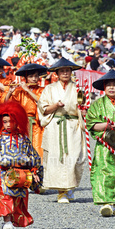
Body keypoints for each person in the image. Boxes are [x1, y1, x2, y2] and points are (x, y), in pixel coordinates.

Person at [0, 101, 43, 229]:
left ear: (16, 122)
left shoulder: (23, 139)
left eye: (11, 121)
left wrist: (35, 170)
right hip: (1, 173)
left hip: (20, 174)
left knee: (17, 200)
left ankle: (11, 222)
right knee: (4, 197)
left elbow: (32, 154)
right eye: (5, 121)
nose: (8, 124)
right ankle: (7, 222)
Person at [37, 57, 86, 203]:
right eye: (62, 71)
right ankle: (61, 192)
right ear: (57, 73)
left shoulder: (77, 88)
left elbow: (82, 106)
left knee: (75, 156)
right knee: (56, 159)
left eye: (67, 70)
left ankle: (70, 187)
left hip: (72, 125)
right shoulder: (49, 89)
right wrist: (56, 105)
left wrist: (83, 110)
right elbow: (43, 109)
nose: (65, 73)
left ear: (71, 72)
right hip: (55, 124)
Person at [86, 69, 115, 217]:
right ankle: (107, 203)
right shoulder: (98, 104)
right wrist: (107, 126)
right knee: (105, 171)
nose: (111, 87)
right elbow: (91, 123)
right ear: (104, 87)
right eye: (108, 84)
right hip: (105, 145)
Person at [4, 63, 47, 157]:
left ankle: (36, 169)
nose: (34, 79)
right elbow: (7, 104)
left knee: (37, 147)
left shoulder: (42, 90)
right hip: (22, 123)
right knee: (22, 147)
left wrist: (27, 90)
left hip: (37, 124)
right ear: (26, 79)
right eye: (31, 76)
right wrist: (10, 92)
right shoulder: (19, 91)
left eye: (36, 76)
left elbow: (41, 101)